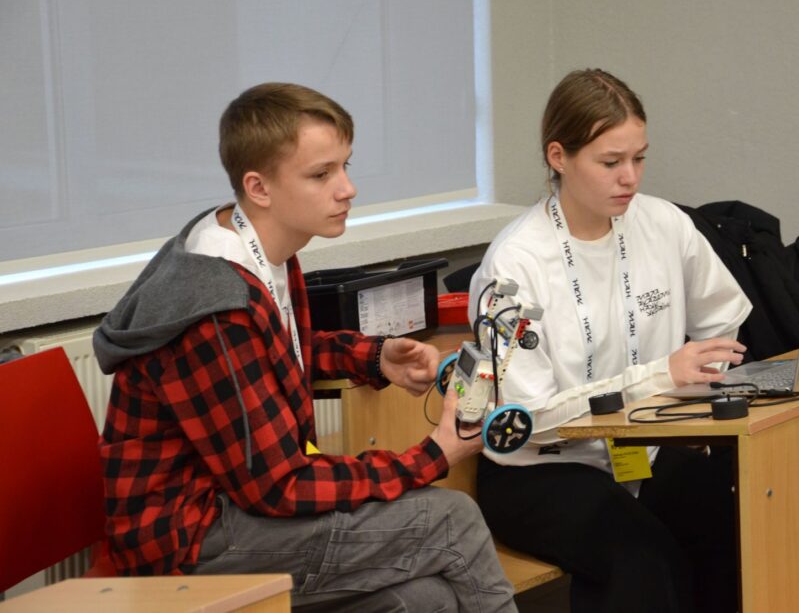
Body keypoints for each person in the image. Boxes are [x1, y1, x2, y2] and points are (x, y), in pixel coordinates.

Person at [93, 82, 515, 612]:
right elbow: (278, 488)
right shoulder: (217, 306)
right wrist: (434, 455)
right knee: (451, 521)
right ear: (259, 187)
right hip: (189, 543)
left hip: (229, 507)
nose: (347, 189)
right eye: (321, 174)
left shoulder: (252, 243)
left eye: (345, 166)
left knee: (423, 600)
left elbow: (270, 352)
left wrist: (372, 357)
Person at [470, 69, 753, 612]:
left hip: (642, 446)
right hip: (542, 467)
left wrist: (693, 400)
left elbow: (722, 320)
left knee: (730, 521)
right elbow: (529, 419)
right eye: (610, 162)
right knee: (641, 559)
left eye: (639, 159)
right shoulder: (514, 264)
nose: (630, 178)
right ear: (558, 156)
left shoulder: (664, 223)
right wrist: (659, 376)